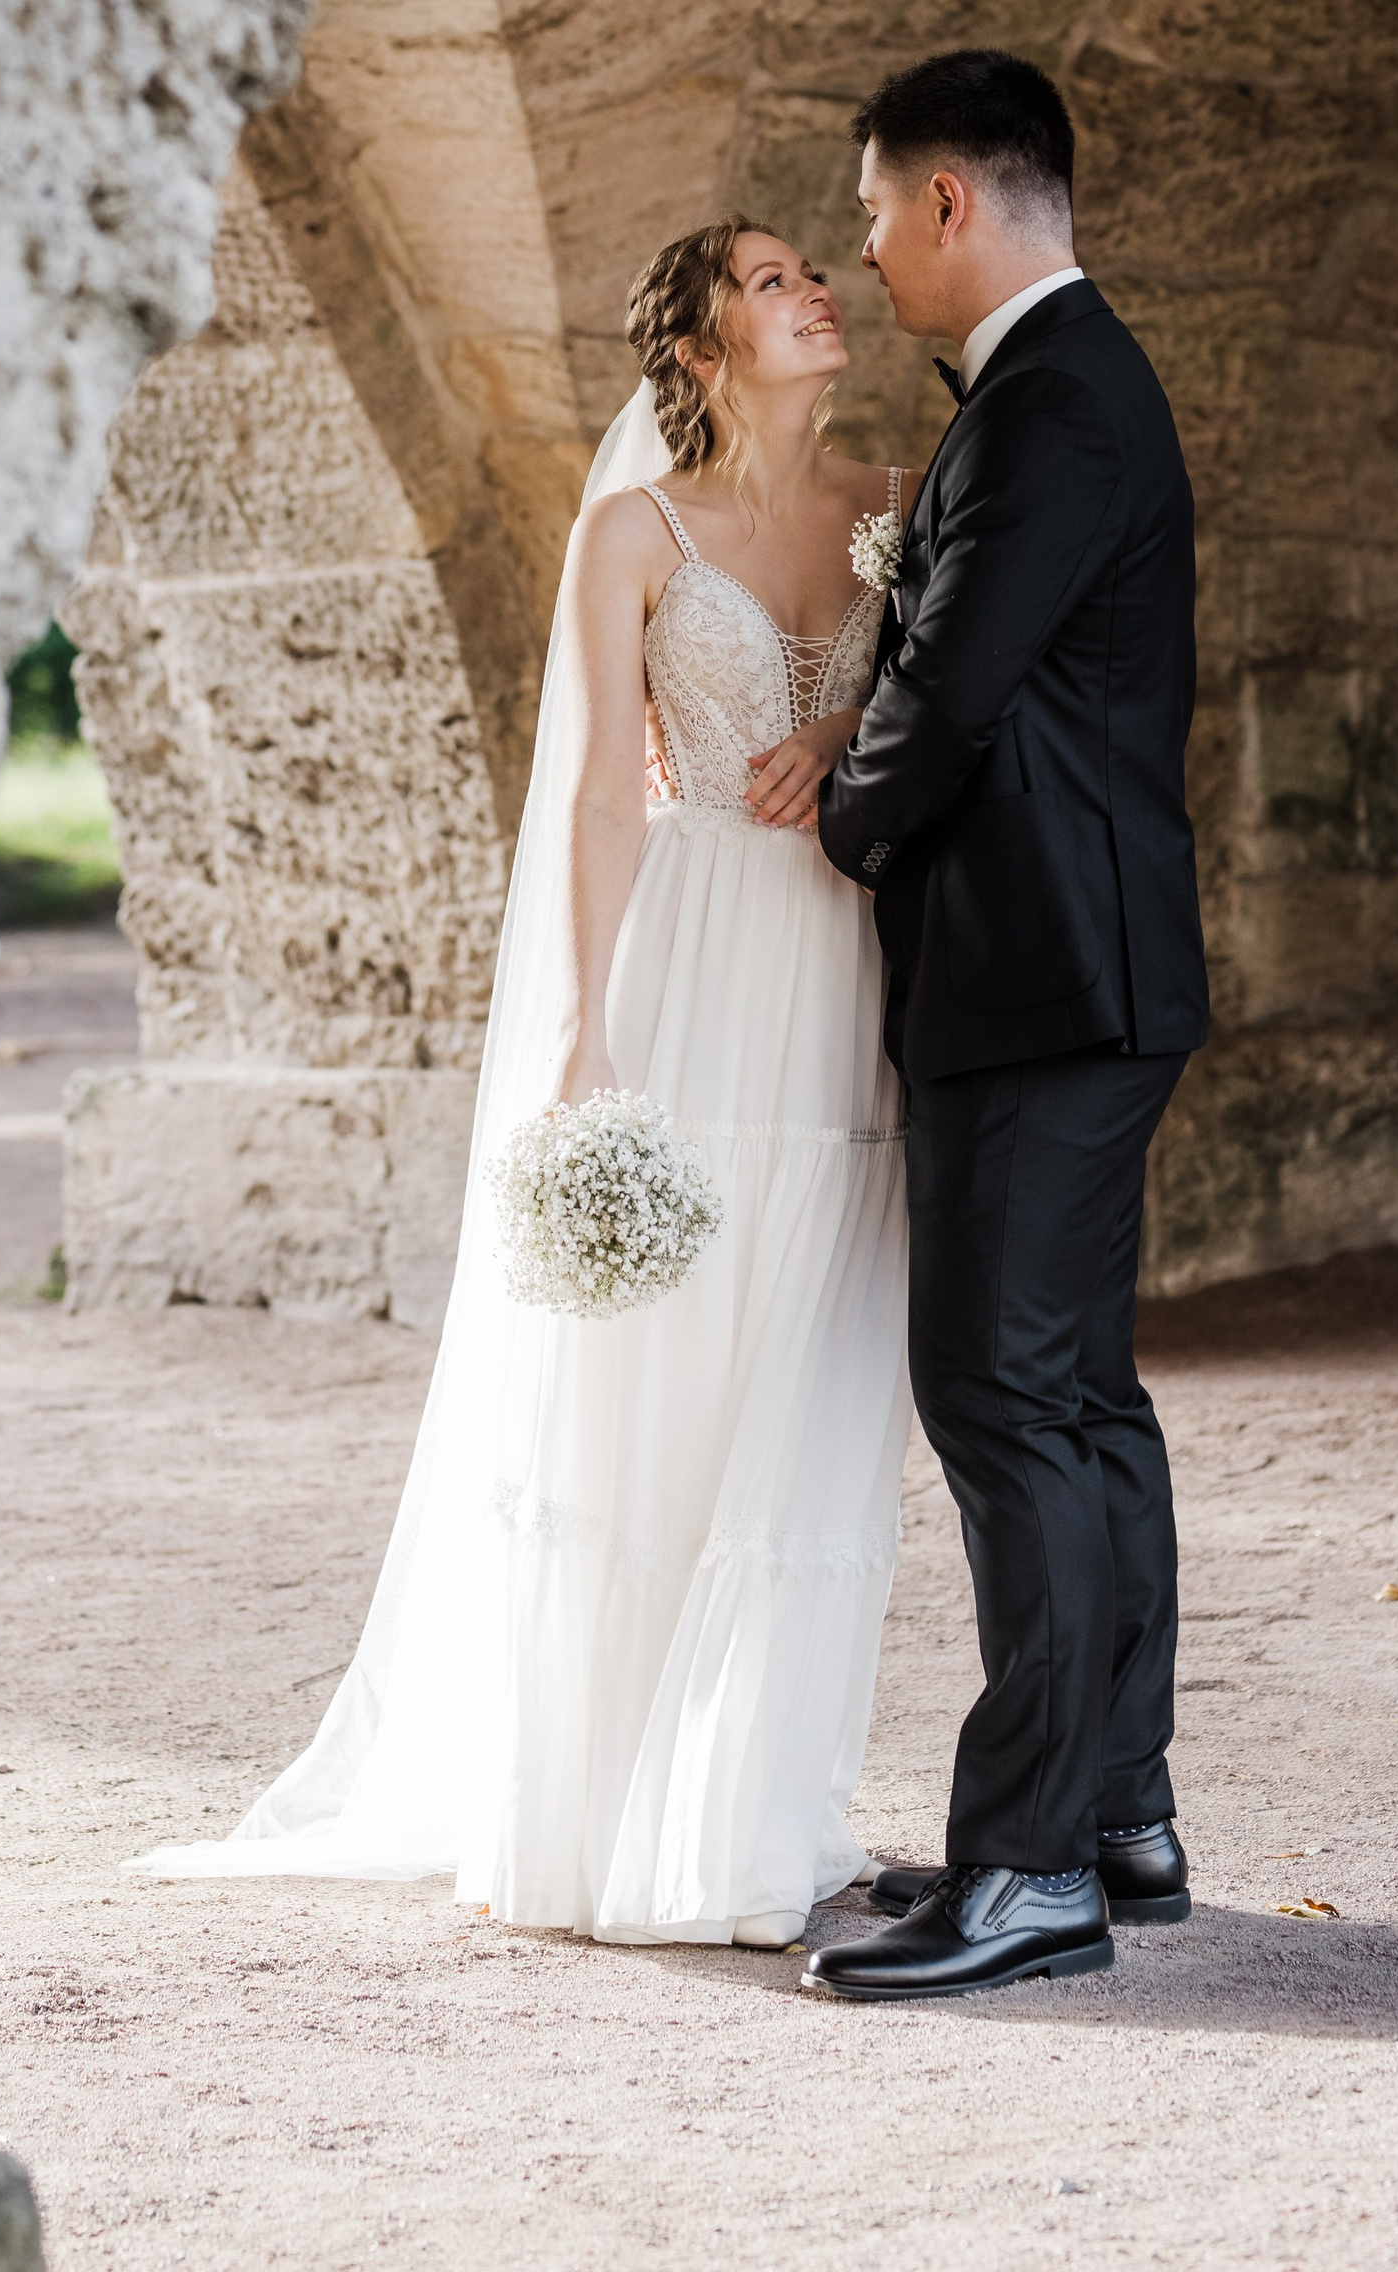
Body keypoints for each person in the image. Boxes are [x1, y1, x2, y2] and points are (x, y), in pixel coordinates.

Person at [135, 222, 914, 1945]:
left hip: (846, 958)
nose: (815, 292)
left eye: (814, 271)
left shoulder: (898, 496)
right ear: (703, 349)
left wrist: (851, 751)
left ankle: (748, 1812)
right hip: (694, 954)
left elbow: (940, 708)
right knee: (653, 1379)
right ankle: (594, 1815)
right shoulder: (628, 536)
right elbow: (597, 799)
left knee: (812, 1358)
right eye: (776, 279)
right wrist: (583, 1034)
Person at [799, 49, 1211, 2003]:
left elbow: (946, 687)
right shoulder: (1068, 381)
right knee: (1077, 1399)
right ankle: (1112, 1812)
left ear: (948, 200)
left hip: (1035, 974)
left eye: (874, 214)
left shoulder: (1048, 399)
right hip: (1084, 968)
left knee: (1000, 1398)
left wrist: (841, 820)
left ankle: (1030, 1867)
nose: (867, 254)